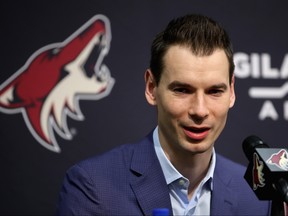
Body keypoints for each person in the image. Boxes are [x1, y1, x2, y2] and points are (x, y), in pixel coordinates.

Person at [57, 14, 271, 215]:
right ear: (151, 88)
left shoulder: (256, 197)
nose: (200, 110)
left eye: (215, 91)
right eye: (182, 90)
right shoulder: (93, 186)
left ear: (232, 91)